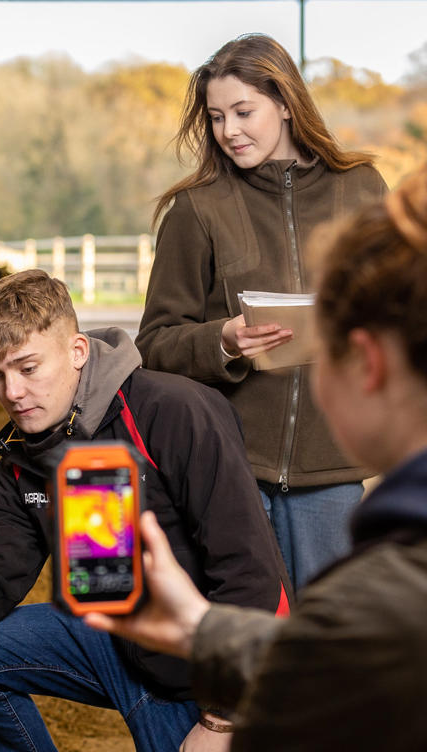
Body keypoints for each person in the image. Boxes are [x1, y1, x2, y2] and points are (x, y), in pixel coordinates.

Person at [86, 166, 427, 752]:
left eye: (318, 345)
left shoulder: (384, 587)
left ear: (363, 364)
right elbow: (352, 660)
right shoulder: (387, 593)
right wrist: (210, 632)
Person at [0, 269, 291, 752]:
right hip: (110, 639)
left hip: (192, 672)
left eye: (28, 367)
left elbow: (254, 578)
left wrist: (221, 721)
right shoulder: (21, 456)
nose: (12, 392)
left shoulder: (175, 411)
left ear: (78, 351)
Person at [135, 33, 389, 590]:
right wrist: (223, 341)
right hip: (231, 470)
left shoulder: (363, 189)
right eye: (217, 116)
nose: (229, 131)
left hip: (333, 468)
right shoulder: (197, 210)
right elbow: (153, 343)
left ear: (285, 102)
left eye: (243, 111)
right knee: (246, 640)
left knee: (330, 641)